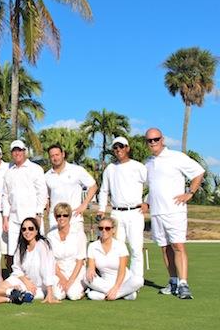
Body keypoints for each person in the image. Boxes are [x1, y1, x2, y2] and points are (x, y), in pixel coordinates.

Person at [144, 128, 205, 299]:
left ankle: (183, 284)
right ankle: (173, 281)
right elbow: (154, 187)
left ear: (162, 139)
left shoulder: (176, 157)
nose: (153, 142)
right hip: (157, 212)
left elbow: (199, 172)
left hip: (174, 211)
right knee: (164, 248)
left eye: (156, 139)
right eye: (150, 140)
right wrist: (146, 202)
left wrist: (190, 193)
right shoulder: (147, 163)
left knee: (178, 246)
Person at [97, 136, 147, 278]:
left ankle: (136, 279)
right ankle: (118, 277)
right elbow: (104, 190)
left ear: (127, 148)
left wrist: (147, 202)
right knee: (117, 248)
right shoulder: (110, 169)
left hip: (135, 212)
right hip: (116, 213)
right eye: (115, 147)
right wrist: (101, 209)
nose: (118, 150)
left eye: (121, 146)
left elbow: (153, 184)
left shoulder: (138, 167)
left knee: (136, 248)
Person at [1, 140, 47, 273]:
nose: (17, 153)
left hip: (32, 217)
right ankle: (16, 276)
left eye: (20, 150)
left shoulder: (35, 169)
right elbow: (5, 196)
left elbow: (42, 192)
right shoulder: (8, 173)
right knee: (13, 251)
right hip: (14, 219)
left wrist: (39, 214)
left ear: (24, 151)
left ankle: (38, 277)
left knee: (36, 249)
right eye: (14, 151)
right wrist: (5, 218)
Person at [84, 217, 144, 301]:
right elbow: (91, 267)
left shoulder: (120, 245)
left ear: (113, 230)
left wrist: (115, 288)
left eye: (107, 228)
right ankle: (124, 294)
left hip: (123, 281)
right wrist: (90, 270)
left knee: (139, 280)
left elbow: (122, 271)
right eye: (101, 228)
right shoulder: (92, 246)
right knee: (85, 277)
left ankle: (112, 295)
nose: (104, 230)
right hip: (105, 283)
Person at [5, 218, 60, 303]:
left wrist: (50, 292)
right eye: (24, 229)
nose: (27, 232)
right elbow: (16, 267)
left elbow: (47, 268)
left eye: (31, 229)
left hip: (40, 287)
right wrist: (25, 280)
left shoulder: (42, 245)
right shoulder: (21, 247)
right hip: (24, 281)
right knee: (2, 287)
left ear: (36, 231)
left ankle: (11, 294)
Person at [45, 144, 97, 232]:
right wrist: (48, 209)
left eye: (57, 155)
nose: (55, 158)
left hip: (74, 217)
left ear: (63, 154)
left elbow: (93, 186)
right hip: (55, 219)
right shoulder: (46, 176)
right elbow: (47, 196)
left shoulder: (77, 170)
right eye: (52, 156)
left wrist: (84, 205)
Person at [46, 203, 87, 300]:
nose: (62, 218)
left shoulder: (79, 234)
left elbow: (80, 261)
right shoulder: (50, 236)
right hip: (59, 272)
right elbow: (51, 260)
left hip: (76, 271)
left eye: (65, 215)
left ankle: (83, 290)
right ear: (55, 217)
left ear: (70, 217)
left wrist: (70, 282)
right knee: (58, 295)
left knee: (73, 295)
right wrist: (62, 278)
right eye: (58, 215)